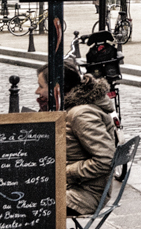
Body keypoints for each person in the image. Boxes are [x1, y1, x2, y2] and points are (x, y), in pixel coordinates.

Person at [36, 61, 117, 217]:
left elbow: (105, 160)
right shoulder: (70, 108)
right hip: (73, 188)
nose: (37, 91)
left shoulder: (81, 114)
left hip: (82, 196)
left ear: (56, 89)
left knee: (20, 204)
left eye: (41, 86)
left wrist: (62, 172)